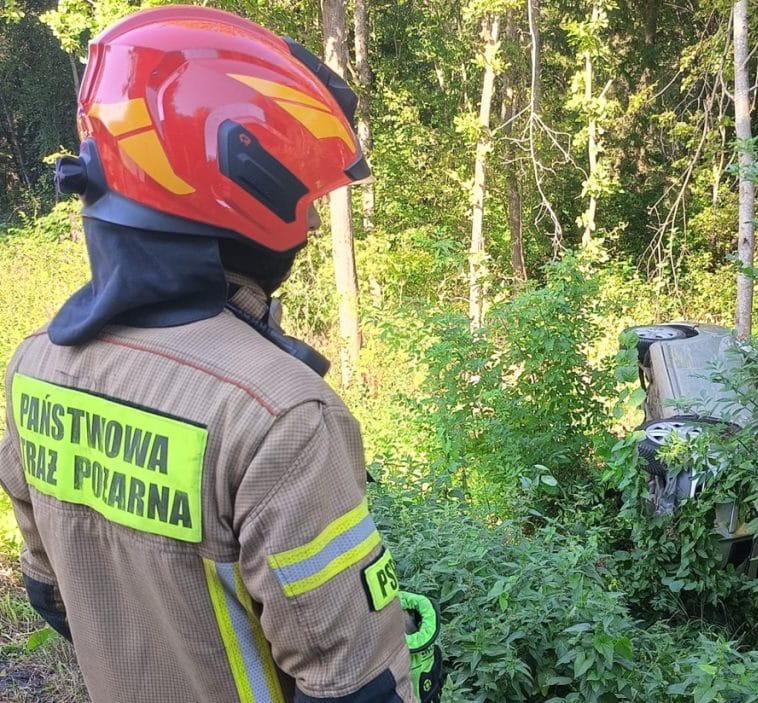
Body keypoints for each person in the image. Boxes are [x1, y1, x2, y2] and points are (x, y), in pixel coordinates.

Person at [0, 6, 440, 702]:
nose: (312, 216)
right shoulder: (281, 418)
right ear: (240, 186)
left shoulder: (35, 369)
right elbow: (357, 686)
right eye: (302, 192)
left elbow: (50, 592)